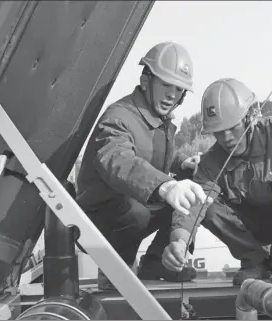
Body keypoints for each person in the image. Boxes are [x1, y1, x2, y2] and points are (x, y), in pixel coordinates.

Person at [161, 28, 272, 286]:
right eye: (217, 132)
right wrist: (179, 242)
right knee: (208, 207)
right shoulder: (213, 161)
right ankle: (254, 261)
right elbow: (194, 205)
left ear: (251, 116)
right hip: (248, 230)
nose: (225, 138)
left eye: (232, 128)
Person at [76, 42, 210, 289]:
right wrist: (167, 186)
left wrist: (182, 164)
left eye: (179, 89)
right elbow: (118, 160)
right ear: (146, 81)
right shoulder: (118, 117)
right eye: (165, 85)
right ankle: (115, 274)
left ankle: (156, 262)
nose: (172, 94)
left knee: (192, 196)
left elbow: (151, 156)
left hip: (129, 211)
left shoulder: (157, 120)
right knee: (139, 208)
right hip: (99, 219)